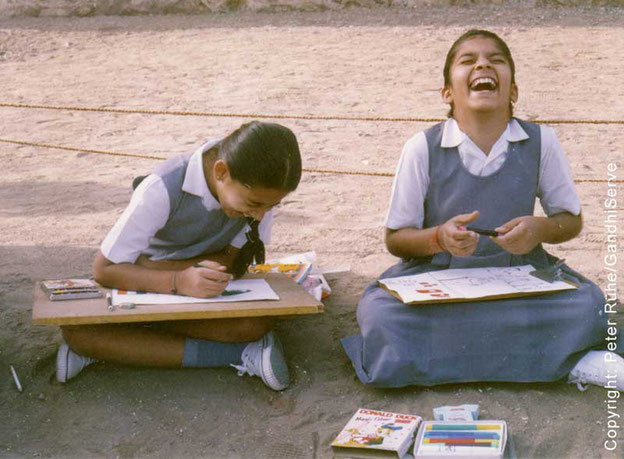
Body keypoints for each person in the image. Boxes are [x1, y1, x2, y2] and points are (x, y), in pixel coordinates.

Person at [342, 29, 624, 390]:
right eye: (467, 60)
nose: (482, 64)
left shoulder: (541, 142)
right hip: (437, 278)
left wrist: (539, 229)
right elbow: (397, 240)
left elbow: (569, 221)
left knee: (588, 305)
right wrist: (438, 238)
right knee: (382, 314)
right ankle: (559, 360)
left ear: (513, 90)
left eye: (496, 59)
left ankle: (438, 360)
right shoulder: (421, 147)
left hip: (520, 274)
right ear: (447, 92)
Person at [57, 121, 302, 391]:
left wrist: (155, 267)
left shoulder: (258, 194)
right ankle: (239, 354)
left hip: (191, 286)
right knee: (77, 334)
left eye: (272, 206)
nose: (261, 215)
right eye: (254, 205)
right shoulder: (161, 188)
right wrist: (176, 280)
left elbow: (230, 263)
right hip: (146, 289)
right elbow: (104, 270)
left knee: (252, 324)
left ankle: (123, 343)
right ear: (221, 171)